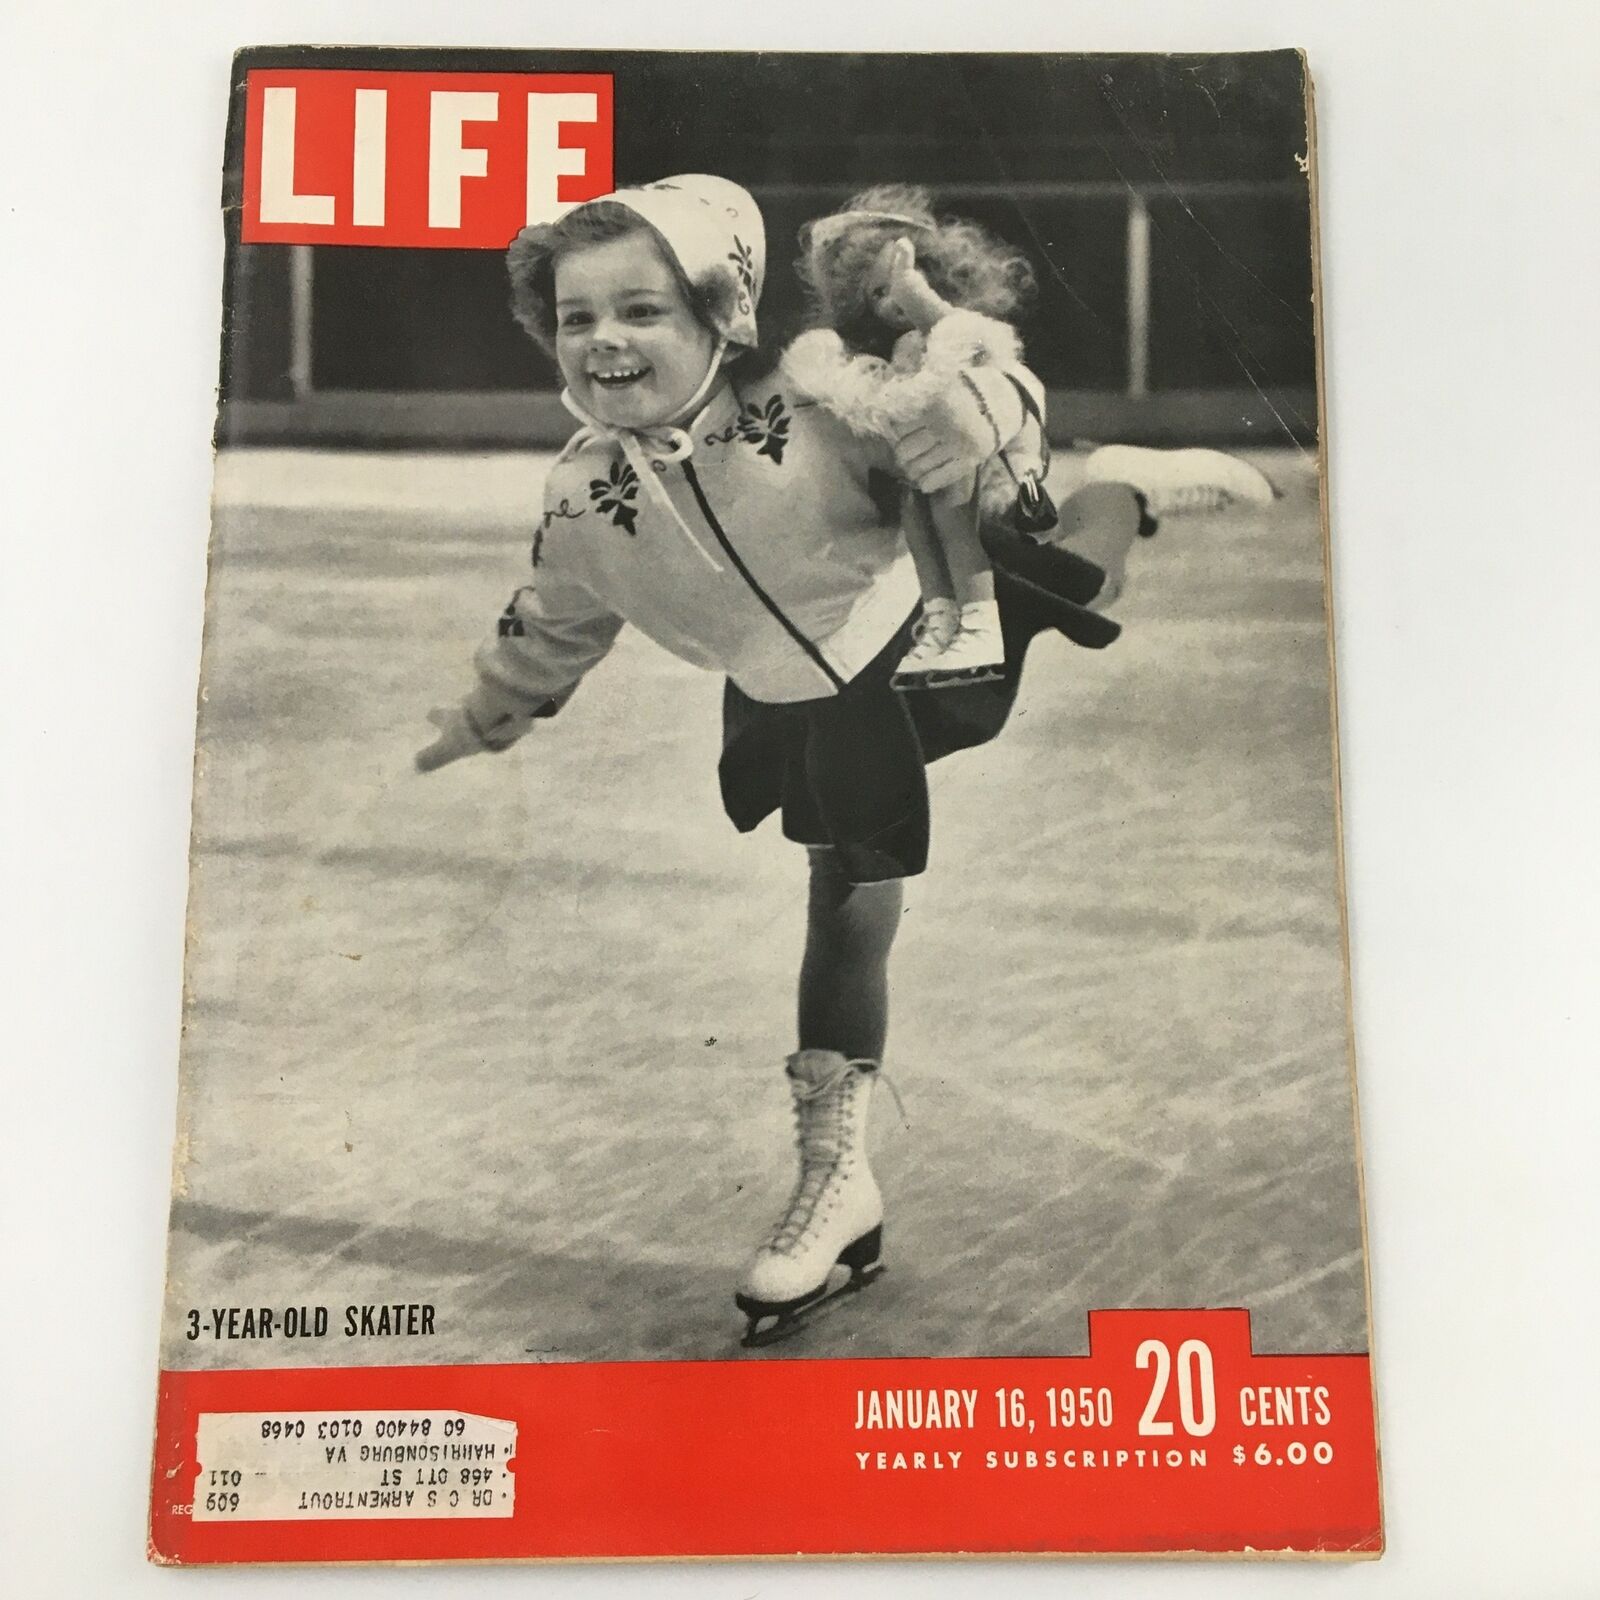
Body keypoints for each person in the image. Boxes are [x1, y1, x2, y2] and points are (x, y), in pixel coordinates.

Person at [415, 174, 1191, 1345]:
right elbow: (556, 612)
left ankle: (1127, 480)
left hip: (917, 646)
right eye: (578, 318)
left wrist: (975, 417)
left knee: (1077, 577)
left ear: (721, 312)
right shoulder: (580, 489)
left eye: (643, 310)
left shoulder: (810, 398)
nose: (605, 339)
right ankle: (839, 1175)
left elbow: (986, 385)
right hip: (789, 704)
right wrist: (491, 708)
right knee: (845, 897)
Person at [785, 185, 1046, 687]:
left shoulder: (951, 327)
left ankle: (980, 626)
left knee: (955, 531)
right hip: (919, 462)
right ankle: (942, 619)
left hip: (963, 452)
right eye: (878, 294)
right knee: (921, 534)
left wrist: (910, 286)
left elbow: (973, 351)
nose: (893, 301)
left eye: (903, 282)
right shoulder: (894, 347)